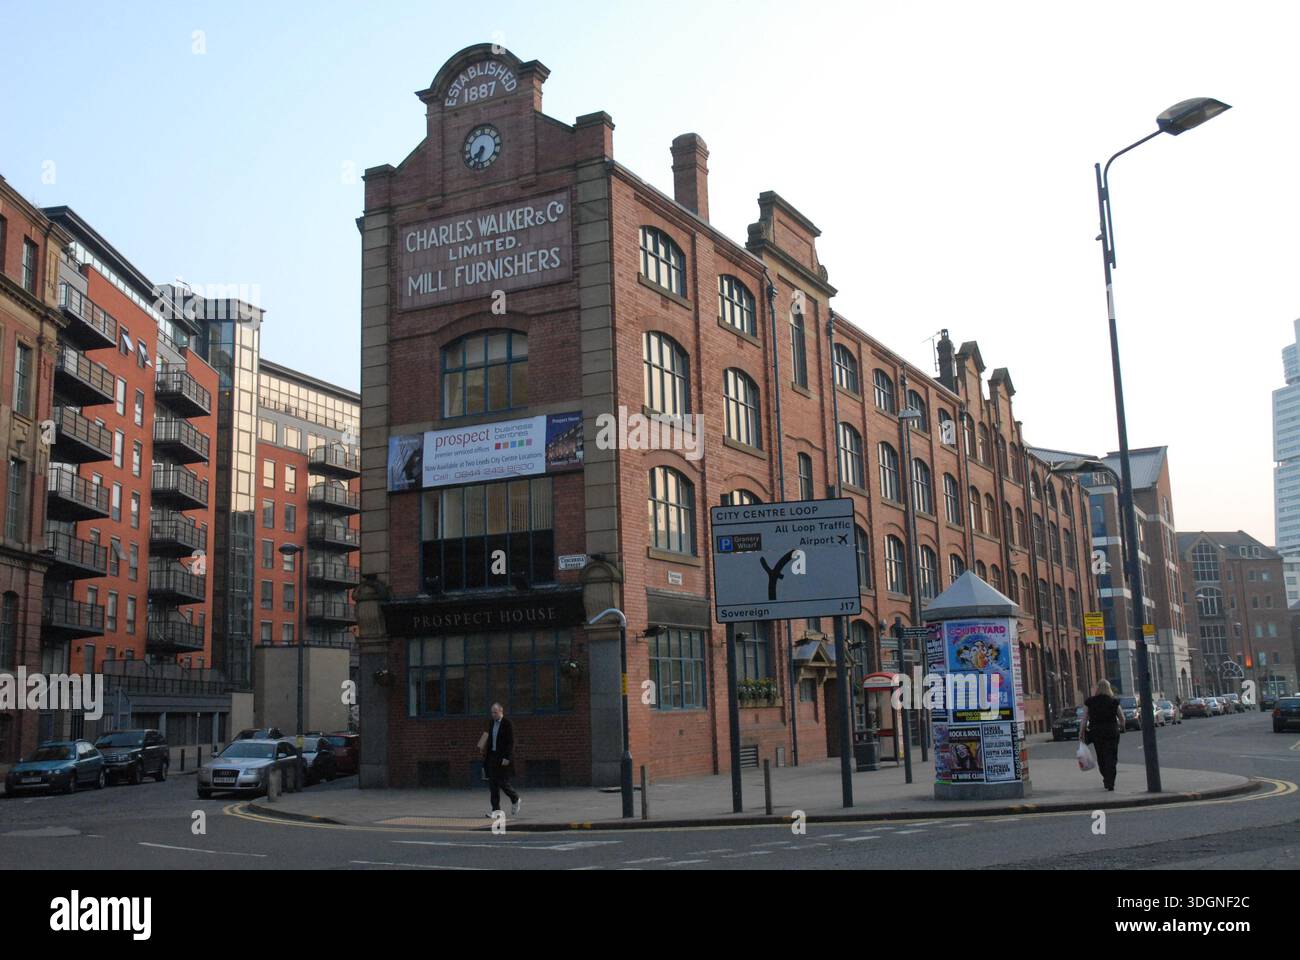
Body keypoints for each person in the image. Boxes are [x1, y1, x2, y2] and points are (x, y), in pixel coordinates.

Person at [1080, 679, 1125, 791]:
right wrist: (1121, 727)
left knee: (1101, 757)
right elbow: (1122, 718)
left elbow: (1084, 719)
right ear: (1109, 688)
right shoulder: (1114, 701)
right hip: (1111, 732)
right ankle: (1110, 782)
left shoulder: (1090, 702)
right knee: (1112, 757)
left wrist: (1081, 732)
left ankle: (1106, 777)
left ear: (1097, 688)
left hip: (1097, 732)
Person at [482, 702, 521, 817]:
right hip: (492, 756)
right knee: (493, 785)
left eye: (495, 712)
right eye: (492, 712)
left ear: (501, 711)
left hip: (502, 757)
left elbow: (511, 742)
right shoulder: (491, 723)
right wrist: (481, 745)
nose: (493, 715)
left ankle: (515, 798)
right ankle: (496, 811)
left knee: (503, 782)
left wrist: (507, 757)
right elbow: (487, 736)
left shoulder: (507, 723)